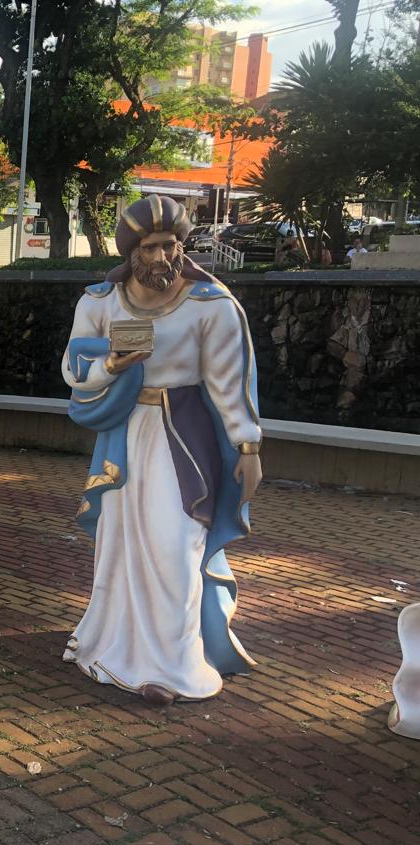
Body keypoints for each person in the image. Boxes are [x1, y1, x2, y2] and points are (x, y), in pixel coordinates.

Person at [62, 195, 263, 704]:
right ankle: (113, 646)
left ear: (181, 245)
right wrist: (112, 365)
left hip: (184, 440)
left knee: (176, 546)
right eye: (149, 247)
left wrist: (248, 446)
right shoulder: (100, 302)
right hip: (124, 436)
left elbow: (230, 383)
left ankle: (174, 665)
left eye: (169, 245)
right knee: (120, 544)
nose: (161, 257)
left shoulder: (210, 305)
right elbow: (73, 369)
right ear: (132, 252)